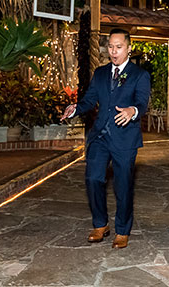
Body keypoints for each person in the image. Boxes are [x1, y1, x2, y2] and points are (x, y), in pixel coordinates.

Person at [61, 28, 151, 249]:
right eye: (110, 46)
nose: (113, 51)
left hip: (124, 139)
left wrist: (132, 111)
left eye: (118, 47)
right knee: (93, 179)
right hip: (100, 136)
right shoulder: (100, 73)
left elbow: (142, 103)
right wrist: (75, 109)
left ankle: (122, 230)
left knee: (123, 186)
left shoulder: (140, 75)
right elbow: (90, 100)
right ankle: (100, 224)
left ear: (129, 48)